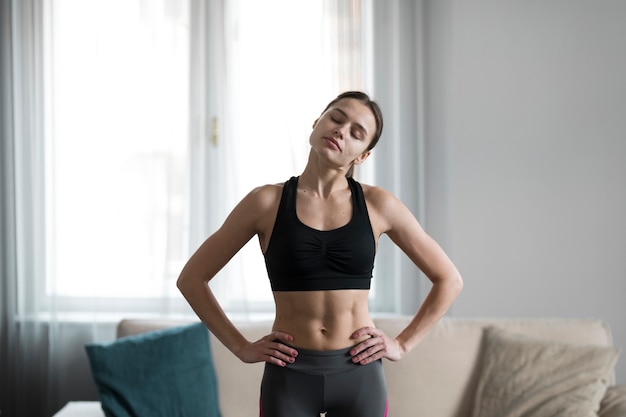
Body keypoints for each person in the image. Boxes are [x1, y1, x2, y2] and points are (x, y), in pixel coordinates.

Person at [177, 91, 463, 417]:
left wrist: (402, 344)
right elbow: (192, 279)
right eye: (336, 118)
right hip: (289, 374)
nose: (341, 131)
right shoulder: (265, 203)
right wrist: (240, 347)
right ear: (317, 123)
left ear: (363, 156)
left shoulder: (378, 205)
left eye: (357, 133)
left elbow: (448, 279)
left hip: (359, 373)